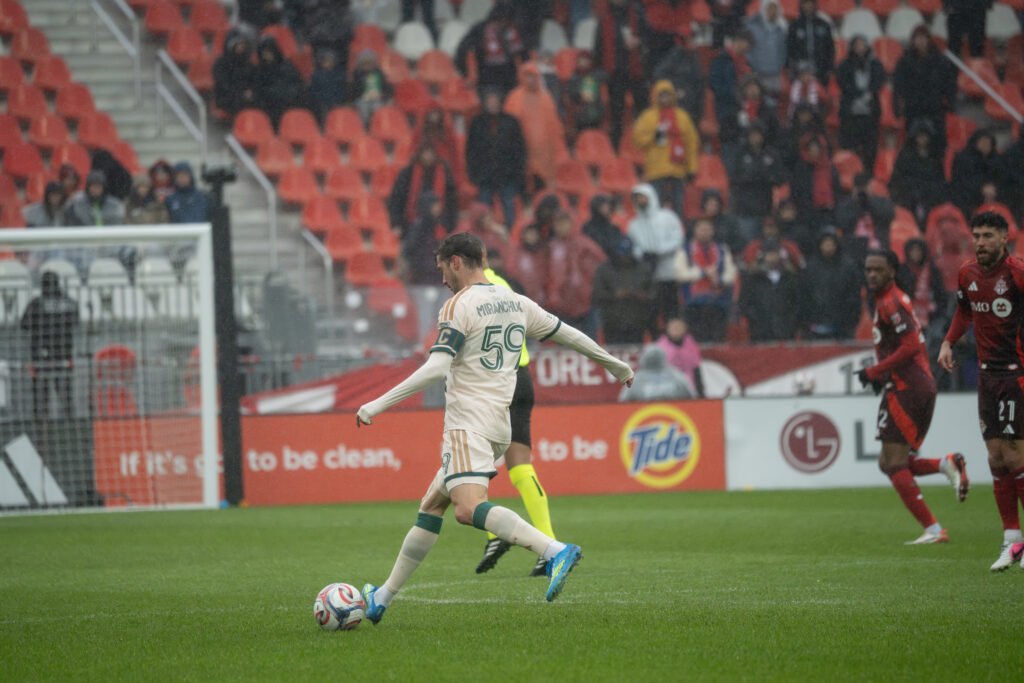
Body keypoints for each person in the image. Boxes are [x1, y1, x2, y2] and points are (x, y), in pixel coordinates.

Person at [356, 232, 635, 621]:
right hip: (499, 425)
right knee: (432, 505)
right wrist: (614, 364)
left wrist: (377, 403)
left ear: (456, 262)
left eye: (442, 269)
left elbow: (437, 368)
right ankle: (381, 599)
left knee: (467, 510)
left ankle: (554, 550)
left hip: (467, 423)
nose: (441, 280)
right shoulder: (517, 302)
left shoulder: (458, 305)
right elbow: (567, 334)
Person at [860, 249, 969, 544]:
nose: (871, 274)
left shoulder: (893, 302)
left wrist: (874, 371)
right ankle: (945, 464)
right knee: (889, 462)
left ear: (892, 272)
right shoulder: (886, 300)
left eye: (878, 269)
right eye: (868, 269)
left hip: (909, 387)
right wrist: (882, 374)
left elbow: (910, 347)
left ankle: (934, 530)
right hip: (906, 385)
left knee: (894, 462)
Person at [938, 211, 1024, 570]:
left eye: (988, 235)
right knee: (995, 459)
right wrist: (947, 342)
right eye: (976, 235)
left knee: (1017, 459)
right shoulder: (968, 274)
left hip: (1015, 375)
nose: (980, 241)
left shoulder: (1017, 273)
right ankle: (1012, 541)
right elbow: (964, 311)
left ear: (1004, 238)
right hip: (987, 378)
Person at [474, 254, 559, 577]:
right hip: (522, 378)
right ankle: (549, 545)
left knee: (475, 460)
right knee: (520, 465)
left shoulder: (476, 292)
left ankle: (495, 534)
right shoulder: (505, 286)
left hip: (496, 382)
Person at [632, 80, 700, 216]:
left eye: (667, 95)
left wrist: (692, 168)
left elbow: (691, 144)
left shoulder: (682, 117)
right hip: (656, 170)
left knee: (678, 208)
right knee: (656, 207)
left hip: (677, 170)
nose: (665, 99)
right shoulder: (648, 117)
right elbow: (637, 140)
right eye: (661, 95)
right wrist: (653, 137)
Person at [21, 272, 79, 420]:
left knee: (41, 398)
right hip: (62, 355)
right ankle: (69, 424)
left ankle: (42, 427)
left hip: (41, 356)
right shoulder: (69, 302)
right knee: (65, 395)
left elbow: (24, 324)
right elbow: (75, 322)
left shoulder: (36, 304)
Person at [465, 88, 527, 229]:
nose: (493, 104)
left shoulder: (512, 122)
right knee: (483, 211)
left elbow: (519, 150)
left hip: (507, 175)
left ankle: (512, 236)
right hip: (484, 176)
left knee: (509, 210)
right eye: (490, 101)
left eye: (495, 101)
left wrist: (518, 174)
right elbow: (470, 151)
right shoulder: (477, 123)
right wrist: (473, 173)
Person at [628, 183, 684, 337]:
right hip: (649, 277)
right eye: (637, 198)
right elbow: (634, 246)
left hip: (669, 273)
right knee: (651, 314)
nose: (641, 201)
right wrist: (643, 254)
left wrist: (659, 251)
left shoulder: (667, 216)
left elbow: (677, 238)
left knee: (671, 312)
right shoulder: (634, 225)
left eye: (643, 197)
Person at [594, 0, 650, 148]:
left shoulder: (637, 13)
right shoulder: (604, 18)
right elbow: (597, 47)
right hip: (615, 74)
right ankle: (616, 151)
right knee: (616, 117)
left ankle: (643, 147)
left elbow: (649, 37)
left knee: (644, 113)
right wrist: (602, 71)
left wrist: (638, 42)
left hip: (636, 72)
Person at [893, 25, 956, 156]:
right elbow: (898, 86)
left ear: (928, 40)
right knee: (912, 145)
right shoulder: (904, 61)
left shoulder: (941, 61)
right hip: (913, 109)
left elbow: (949, 84)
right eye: (917, 38)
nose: (920, 41)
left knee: (938, 145)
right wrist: (897, 108)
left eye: (923, 38)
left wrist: (950, 103)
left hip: (935, 109)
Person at [503, 62, 568, 191]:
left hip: (544, 151)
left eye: (533, 76)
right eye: (527, 76)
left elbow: (555, 124)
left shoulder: (546, 97)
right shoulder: (514, 98)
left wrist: (559, 145)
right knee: (524, 180)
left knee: (542, 184)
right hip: (522, 149)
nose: (530, 79)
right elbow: (508, 124)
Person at [544, 211, 606, 337]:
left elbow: (600, 266)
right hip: (562, 304)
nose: (560, 227)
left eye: (564, 223)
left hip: (587, 302)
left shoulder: (585, 244)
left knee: (590, 342)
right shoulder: (552, 247)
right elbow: (547, 274)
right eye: (557, 224)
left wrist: (592, 290)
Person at [677, 217, 737, 342]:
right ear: (695, 231)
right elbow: (680, 274)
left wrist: (719, 279)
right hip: (693, 303)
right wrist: (703, 273)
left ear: (713, 231)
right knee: (696, 337)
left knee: (717, 337)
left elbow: (731, 274)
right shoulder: (685, 250)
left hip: (718, 301)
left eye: (707, 229)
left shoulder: (722, 250)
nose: (704, 232)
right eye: (701, 229)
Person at [728, 123, 787, 245]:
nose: (755, 138)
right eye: (753, 135)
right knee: (748, 242)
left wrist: (767, 177)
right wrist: (749, 177)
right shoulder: (740, 153)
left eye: (758, 134)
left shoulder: (771, 154)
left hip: (766, 207)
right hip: (745, 208)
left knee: (766, 243)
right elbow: (732, 177)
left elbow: (780, 178)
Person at [455, 3, 527, 98]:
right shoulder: (479, 30)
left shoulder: (512, 31)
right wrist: (468, 73)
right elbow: (463, 51)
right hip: (486, 80)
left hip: (509, 80)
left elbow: (522, 54)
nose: (503, 24)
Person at [592, 234, 654, 344]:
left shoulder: (643, 268)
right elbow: (597, 294)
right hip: (612, 322)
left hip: (637, 322)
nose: (624, 258)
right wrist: (615, 296)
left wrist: (637, 295)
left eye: (627, 254)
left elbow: (653, 294)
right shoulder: (604, 269)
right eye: (622, 254)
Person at [836, 35, 884, 174]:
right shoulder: (845, 65)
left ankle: (869, 177)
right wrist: (857, 94)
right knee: (849, 150)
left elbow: (878, 82)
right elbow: (843, 83)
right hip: (850, 116)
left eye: (862, 44)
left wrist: (868, 93)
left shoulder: (875, 64)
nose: (860, 48)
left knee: (870, 151)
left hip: (870, 116)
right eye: (857, 45)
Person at [802, 229, 861, 339]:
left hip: (842, 328)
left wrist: (850, 322)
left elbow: (854, 297)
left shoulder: (848, 267)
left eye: (831, 244)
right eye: (825, 244)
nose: (828, 247)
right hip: (815, 327)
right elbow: (804, 296)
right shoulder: (811, 268)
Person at [389, 144, 458, 237]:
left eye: (430, 153)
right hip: (410, 225)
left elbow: (451, 203)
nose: (428, 157)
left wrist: (449, 226)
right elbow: (397, 199)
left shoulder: (445, 174)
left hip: (439, 226)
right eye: (425, 153)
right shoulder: (407, 174)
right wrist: (396, 223)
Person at [889, 118, 948, 226]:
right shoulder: (905, 156)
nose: (922, 139)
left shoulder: (935, 158)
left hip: (931, 197)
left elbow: (940, 180)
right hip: (909, 196)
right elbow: (898, 179)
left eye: (925, 136)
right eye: (920, 135)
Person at [738, 241, 802, 341]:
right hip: (760, 333)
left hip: (786, 332)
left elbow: (797, 303)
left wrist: (790, 323)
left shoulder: (789, 278)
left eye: (774, 254)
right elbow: (745, 304)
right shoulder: (753, 279)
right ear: (763, 256)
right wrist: (756, 322)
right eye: (769, 254)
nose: (772, 258)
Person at [710, 28, 753, 163]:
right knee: (729, 144)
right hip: (725, 109)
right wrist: (734, 95)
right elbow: (716, 84)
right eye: (746, 43)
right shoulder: (722, 60)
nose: (747, 47)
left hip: (741, 109)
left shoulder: (746, 65)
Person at [835, 172, 894, 266]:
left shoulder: (881, 202)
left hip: (877, 249)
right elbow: (842, 222)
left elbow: (888, 216)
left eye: (865, 186)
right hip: (853, 252)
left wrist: (870, 200)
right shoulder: (846, 205)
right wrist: (855, 203)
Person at [252, 35, 304, 126]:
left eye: (269, 52)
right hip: (270, 104)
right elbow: (259, 88)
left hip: (288, 101)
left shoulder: (287, 66)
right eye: (264, 53)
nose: (267, 55)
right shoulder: (260, 69)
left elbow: (297, 84)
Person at [651, 35, 705, 123]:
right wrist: (674, 90)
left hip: (694, 105)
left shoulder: (694, 56)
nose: (696, 43)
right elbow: (658, 74)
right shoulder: (675, 55)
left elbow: (699, 82)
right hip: (679, 103)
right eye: (692, 40)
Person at [401, 191, 448, 285]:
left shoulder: (438, 226)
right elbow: (409, 250)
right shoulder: (418, 227)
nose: (438, 209)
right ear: (427, 206)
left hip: (436, 274)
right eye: (435, 206)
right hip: (421, 275)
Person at [951, 130, 1001, 217]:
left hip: (994, 196)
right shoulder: (964, 159)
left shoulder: (996, 159)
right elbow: (962, 181)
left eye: (988, 143)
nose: (985, 146)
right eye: (983, 142)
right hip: (969, 198)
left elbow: (1001, 178)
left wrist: (994, 188)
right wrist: (981, 188)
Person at [619, 344, 695, 401]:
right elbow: (694, 400)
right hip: (673, 417)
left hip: (645, 418)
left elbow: (622, 403)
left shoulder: (635, 380)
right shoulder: (677, 377)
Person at [785, 0, 834, 86]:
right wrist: (791, 68)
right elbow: (789, 49)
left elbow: (830, 48)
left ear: (815, 4)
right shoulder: (794, 26)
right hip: (800, 72)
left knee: (819, 97)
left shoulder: (824, 25)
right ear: (801, 5)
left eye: (810, 3)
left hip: (821, 70)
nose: (808, 5)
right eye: (805, 3)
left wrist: (829, 68)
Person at [745, 0, 787, 97]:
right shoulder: (752, 27)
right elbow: (748, 50)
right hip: (757, 74)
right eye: (769, 8)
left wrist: (779, 66)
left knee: (773, 102)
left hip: (775, 75)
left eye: (774, 9)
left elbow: (782, 51)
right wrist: (753, 67)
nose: (772, 12)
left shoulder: (780, 29)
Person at [213, 28, 259, 117]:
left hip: (245, 95)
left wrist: (251, 91)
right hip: (226, 96)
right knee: (241, 102)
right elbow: (223, 84)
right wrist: (241, 93)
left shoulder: (247, 62)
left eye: (242, 44)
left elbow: (254, 79)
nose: (240, 47)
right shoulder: (221, 63)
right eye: (237, 44)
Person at [655, 315, 704, 395]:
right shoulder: (659, 347)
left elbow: (696, 370)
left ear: (685, 328)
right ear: (667, 329)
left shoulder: (692, 345)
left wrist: (701, 392)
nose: (676, 329)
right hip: (667, 389)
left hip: (689, 388)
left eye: (679, 327)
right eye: (673, 327)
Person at [565, 50, 607, 135]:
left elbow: (603, 98)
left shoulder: (597, 77)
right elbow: (570, 97)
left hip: (596, 114)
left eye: (585, 60)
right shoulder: (573, 78)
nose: (583, 62)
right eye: (581, 60)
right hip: (579, 116)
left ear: (590, 61)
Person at [349, 49, 393, 126]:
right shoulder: (357, 75)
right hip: (362, 98)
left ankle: (377, 126)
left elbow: (386, 87)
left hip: (377, 98)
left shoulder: (379, 74)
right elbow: (354, 89)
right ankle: (365, 127)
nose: (367, 66)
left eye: (370, 63)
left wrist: (385, 96)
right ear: (360, 64)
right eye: (364, 64)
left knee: (377, 108)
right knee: (363, 110)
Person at [309, 48, 347, 123]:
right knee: (324, 114)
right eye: (326, 61)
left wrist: (339, 99)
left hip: (336, 100)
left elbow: (342, 89)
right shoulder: (316, 75)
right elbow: (314, 90)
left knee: (337, 114)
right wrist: (319, 99)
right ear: (321, 62)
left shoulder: (339, 75)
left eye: (331, 61)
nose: (328, 63)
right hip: (322, 102)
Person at [582, 194, 622, 260]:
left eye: (609, 206)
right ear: (596, 208)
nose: (608, 209)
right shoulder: (587, 228)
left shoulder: (614, 228)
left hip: (615, 264)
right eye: (604, 206)